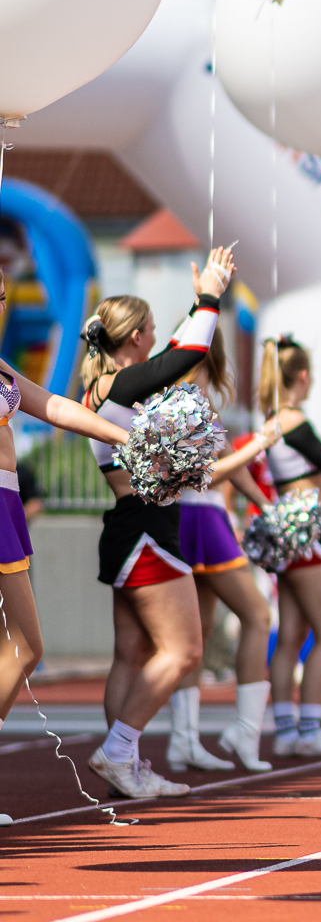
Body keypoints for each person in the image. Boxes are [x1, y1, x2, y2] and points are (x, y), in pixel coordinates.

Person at [77, 254, 234, 799]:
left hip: (125, 526)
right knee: (184, 651)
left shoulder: (100, 389)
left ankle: (127, 761)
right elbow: (188, 352)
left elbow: (173, 352)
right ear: (138, 336)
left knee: (133, 654)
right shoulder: (124, 387)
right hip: (147, 528)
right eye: (151, 334)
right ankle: (119, 751)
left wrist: (199, 301)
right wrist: (211, 298)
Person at [0, 302, 132, 736]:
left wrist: (127, 437)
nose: (0, 307)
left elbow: (54, 405)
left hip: (7, 501)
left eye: (3, 297)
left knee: (26, 646)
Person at [167, 342, 280, 775]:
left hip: (197, 520)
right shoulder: (178, 403)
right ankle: (243, 732)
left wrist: (266, 508)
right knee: (256, 616)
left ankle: (186, 740)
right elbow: (210, 473)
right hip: (201, 520)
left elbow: (232, 465)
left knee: (198, 635)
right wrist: (259, 447)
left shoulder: (194, 404)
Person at [256, 336, 321, 759]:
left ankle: (286, 729)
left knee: (292, 634)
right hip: (302, 532)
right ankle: (310, 727)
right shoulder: (293, 419)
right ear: (303, 376)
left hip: (290, 528)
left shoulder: (273, 417)